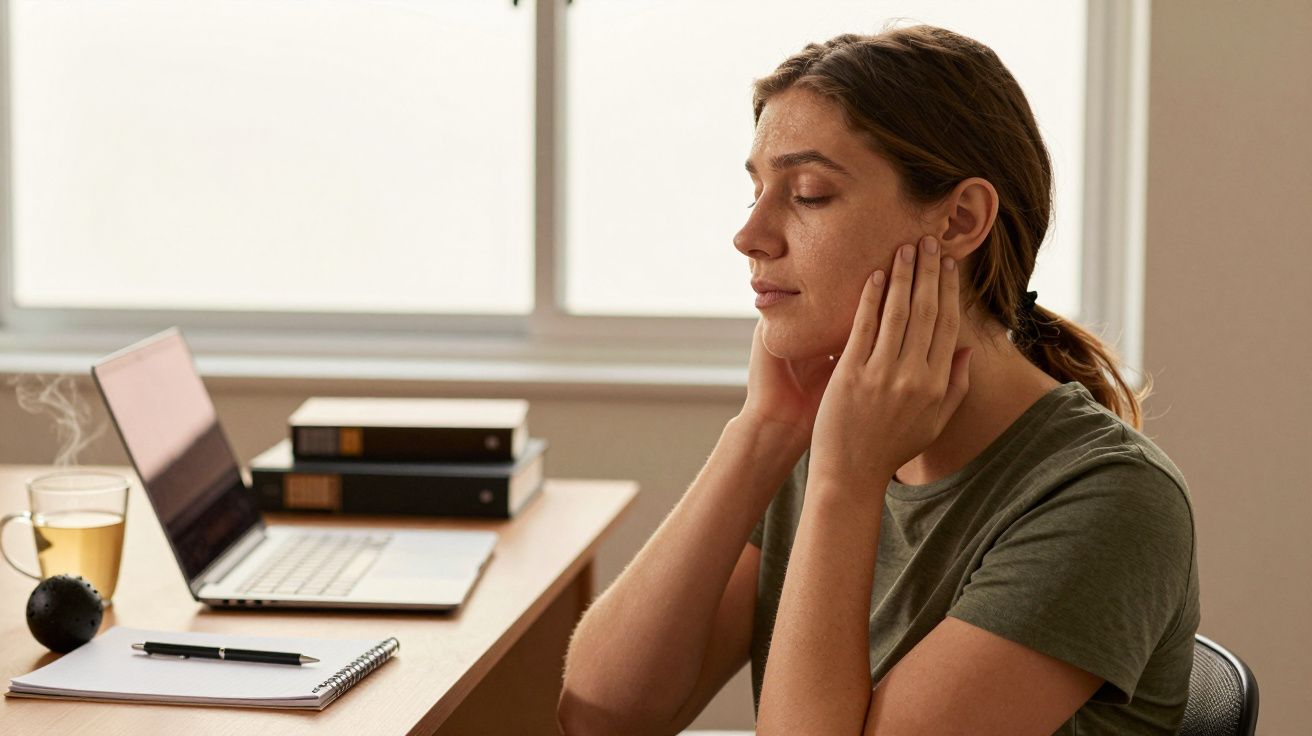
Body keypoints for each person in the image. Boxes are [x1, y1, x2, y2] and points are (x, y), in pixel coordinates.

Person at [557, 24, 1198, 736]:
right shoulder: (819, 440)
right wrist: (764, 431)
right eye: (757, 191)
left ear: (960, 220)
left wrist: (846, 478)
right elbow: (601, 716)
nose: (750, 236)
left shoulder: (1109, 498)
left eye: (807, 194)